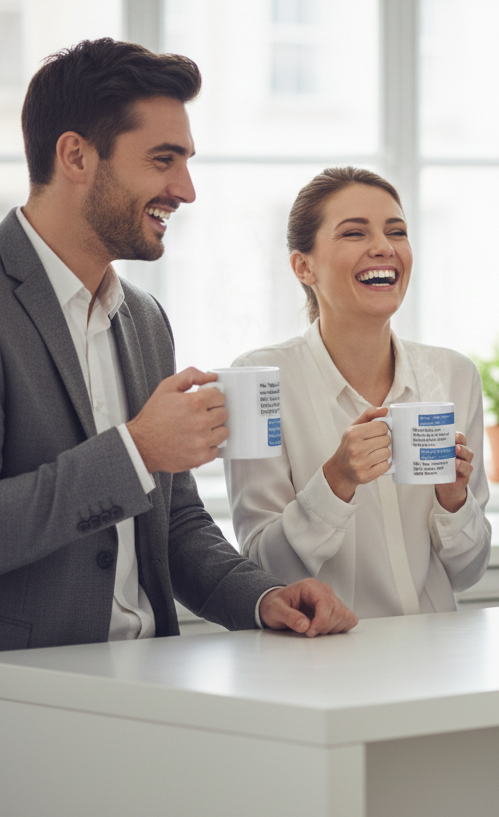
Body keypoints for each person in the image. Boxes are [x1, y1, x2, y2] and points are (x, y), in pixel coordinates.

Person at [0, 38, 357, 651]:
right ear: (75, 156)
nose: (186, 189)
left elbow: (176, 522)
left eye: (187, 161)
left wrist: (263, 596)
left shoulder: (143, 318)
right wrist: (135, 449)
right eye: (164, 159)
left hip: (150, 682)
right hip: (29, 695)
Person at [224, 167, 490, 617]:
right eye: (354, 233)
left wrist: (455, 502)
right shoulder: (256, 382)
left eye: (397, 231)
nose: (384, 247)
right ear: (303, 266)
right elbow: (261, 569)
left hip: (436, 660)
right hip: (320, 662)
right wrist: (336, 481)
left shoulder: (454, 375)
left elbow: (467, 572)